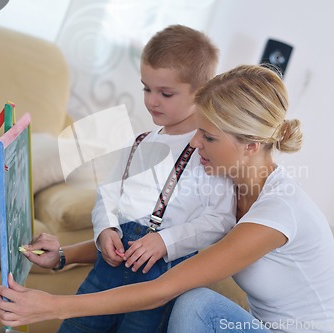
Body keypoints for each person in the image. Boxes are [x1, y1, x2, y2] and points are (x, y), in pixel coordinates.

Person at [0, 64, 334, 333]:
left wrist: (53, 306)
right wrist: (64, 257)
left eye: (208, 137)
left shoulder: (277, 210)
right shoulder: (229, 189)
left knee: (195, 304)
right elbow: (144, 239)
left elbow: (164, 289)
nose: (194, 145)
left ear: (250, 146)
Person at [15, 25, 236, 333]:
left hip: (160, 276)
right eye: (146, 88)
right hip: (110, 266)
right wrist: (105, 227)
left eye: (165, 93)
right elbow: (107, 192)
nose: (152, 101)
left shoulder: (209, 150)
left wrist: (165, 241)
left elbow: (220, 219)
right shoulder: (140, 142)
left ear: (201, 91)